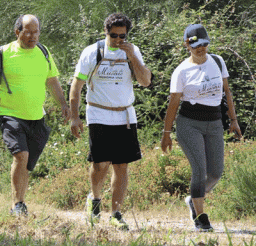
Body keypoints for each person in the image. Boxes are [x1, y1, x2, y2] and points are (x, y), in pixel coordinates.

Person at [0, 14, 70, 216]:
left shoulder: (44, 53)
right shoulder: (3, 54)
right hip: (9, 114)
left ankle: (18, 203)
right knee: (21, 156)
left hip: (36, 116)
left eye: (36, 31)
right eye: (28, 31)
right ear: (17, 32)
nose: (32, 36)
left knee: (27, 163)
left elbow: (52, 81)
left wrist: (63, 104)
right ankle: (18, 204)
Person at [69, 13, 152, 230]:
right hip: (98, 112)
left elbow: (145, 81)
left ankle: (116, 213)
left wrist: (132, 56)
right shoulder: (92, 52)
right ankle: (95, 199)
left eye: (122, 36)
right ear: (105, 32)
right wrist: (74, 117)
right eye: (113, 35)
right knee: (100, 164)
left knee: (121, 165)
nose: (118, 40)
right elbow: (76, 86)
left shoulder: (132, 51)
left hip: (125, 114)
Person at [161, 23, 241, 232]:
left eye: (204, 44)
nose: (201, 49)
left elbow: (227, 92)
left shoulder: (217, 61)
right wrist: (166, 133)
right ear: (187, 44)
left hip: (214, 122)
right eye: (196, 45)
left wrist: (233, 120)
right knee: (199, 169)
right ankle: (200, 216)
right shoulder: (181, 71)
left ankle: (194, 198)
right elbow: (173, 104)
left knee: (215, 173)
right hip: (189, 123)